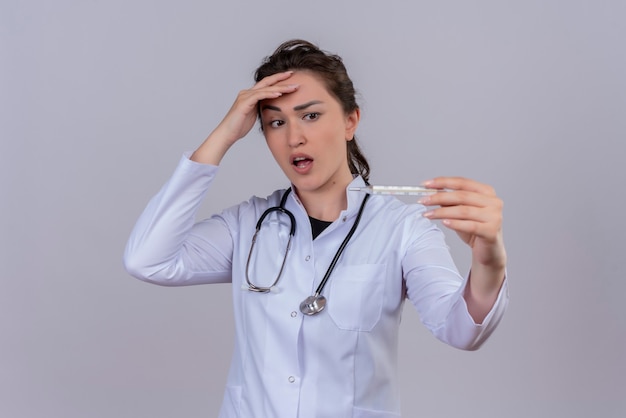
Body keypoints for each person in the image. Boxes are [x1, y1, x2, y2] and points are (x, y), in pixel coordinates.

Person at [123, 39, 508, 418]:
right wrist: (224, 134)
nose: (294, 138)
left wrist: (488, 257)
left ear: (350, 121)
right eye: (275, 122)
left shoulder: (402, 229)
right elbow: (148, 260)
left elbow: (461, 331)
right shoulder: (248, 226)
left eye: (310, 115)